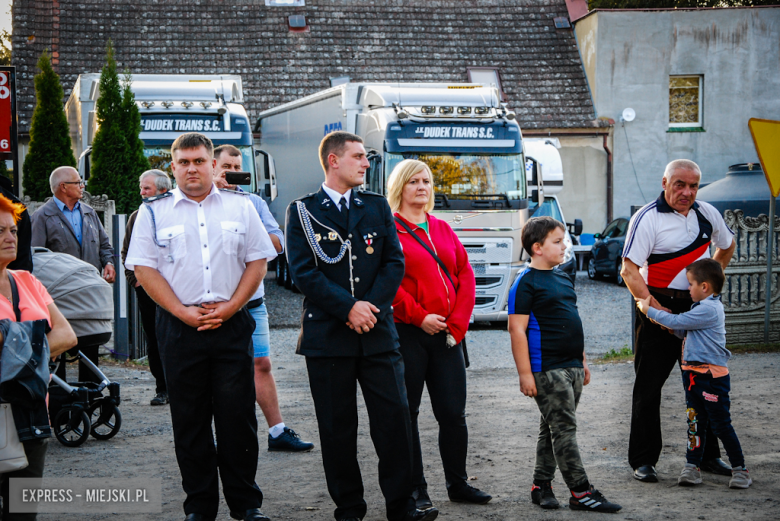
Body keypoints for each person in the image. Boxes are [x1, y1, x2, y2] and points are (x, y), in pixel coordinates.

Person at [285, 131, 438, 521]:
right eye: (358, 157)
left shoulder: (375, 207)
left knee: (394, 423)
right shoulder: (303, 210)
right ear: (333, 160)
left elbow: (393, 263)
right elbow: (304, 273)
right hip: (329, 336)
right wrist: (348, 308)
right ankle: (349, 508)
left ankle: (402, 507)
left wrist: (368, 308)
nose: (366, 164)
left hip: (377, 333)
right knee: (337, 430)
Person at [126, 132, 277, 521]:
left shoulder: (240, 208)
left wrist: (230, 308)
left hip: (231, 324)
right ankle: (200, 507)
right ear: (172, 167)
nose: (191, 168)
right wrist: (181, 311)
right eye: (183, 162)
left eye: (198, 161)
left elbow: (258, 261)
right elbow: (144, 269)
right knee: (190, 421)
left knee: (237, 419)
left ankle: (246, 505)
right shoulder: (153, 212)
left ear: (213, 164)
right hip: (180, 327)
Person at [621, 159, 736, 482]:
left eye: (693, 186)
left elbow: (726, 246)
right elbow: (628, 270)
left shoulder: (707, 213)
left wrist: (709, 284)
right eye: (680, 185)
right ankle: (643, 460)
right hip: (658, 304)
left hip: (696, 308)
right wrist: (656, 309)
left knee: (705, 384)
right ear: (664, 182)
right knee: (648, 386)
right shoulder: (646, 217)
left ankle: (709, 456)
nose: (687, 192)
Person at [386, 159, 490, 510]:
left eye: (427, 181)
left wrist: (457, 325)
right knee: (408, 414)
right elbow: (388, 286)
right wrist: (418, 317)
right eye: (414, 181)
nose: (422, 187)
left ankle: (458, 484)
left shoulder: (442, 228)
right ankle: (417, 487)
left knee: (452, 414)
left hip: (448, 336)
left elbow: (465, 276)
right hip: (410, 334)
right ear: (400, 186)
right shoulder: (391, 230)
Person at [508, 216, 622, 513]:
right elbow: (516, 329)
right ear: (537, 248)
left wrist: (582, 360)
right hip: (546, 368)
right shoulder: (525, 282)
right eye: (557, 242)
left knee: (552, 427)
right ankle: (581, 492)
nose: (564, 246)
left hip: (571, 365)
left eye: (564, 240)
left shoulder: (562, 276)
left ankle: (541, 485)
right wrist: (525, 374)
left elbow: (572, 319)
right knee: (565, 429)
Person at [212, 144, 313, 452]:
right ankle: (221, 436)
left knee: (262, 363)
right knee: (216, 370)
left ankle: (277, 430)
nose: (232, 173)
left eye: (237, 166)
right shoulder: (200, 202)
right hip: (215, 304)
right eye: (226, 166)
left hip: (252, 303)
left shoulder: (253, 202)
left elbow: (278, 243)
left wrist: (247, 225)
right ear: (213, 167)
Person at [636, 258, 751, 489]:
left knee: (721, 425)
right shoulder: (700, 308)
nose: (687, 289)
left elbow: (677, 320)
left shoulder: (709, 309)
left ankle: (740, 470)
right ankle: (692, 466)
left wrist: (649, 310)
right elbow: (683, 330)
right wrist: (671, 326)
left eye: (690, 284)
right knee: (694, 423)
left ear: (704, 287)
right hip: (693, 377)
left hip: (711, 378)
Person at [0, 193, 78, 521]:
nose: (9, 237)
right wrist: (34, 340)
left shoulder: (27, 280)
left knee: (23, 512)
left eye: (13, 230)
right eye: (0, 231)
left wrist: (10, 340)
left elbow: (67, 335)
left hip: (32, 411)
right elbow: (51, 336)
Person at [31, 166, 115, 383]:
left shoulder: (89, 213)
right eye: (78, 182)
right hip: (57, 299)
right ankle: (59, 405)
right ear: (63, 187)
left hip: (87, 296)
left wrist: (108, 263)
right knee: (57, 353)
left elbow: (105, 245)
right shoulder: (42, 216)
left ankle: (89, 397)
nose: (82, 186)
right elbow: (35, 256)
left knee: (90, 351)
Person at [121, 169, 171, 406]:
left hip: (178, 291)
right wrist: (137, 282)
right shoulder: (136, 217)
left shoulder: (178, 213)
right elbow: (126, 254)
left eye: (146, 188)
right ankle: (162, 388)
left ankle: (182, 387)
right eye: (141, 187)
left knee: (179, 337)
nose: (141, 192)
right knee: (154, 338)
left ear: (163, 189)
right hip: (148, 291)